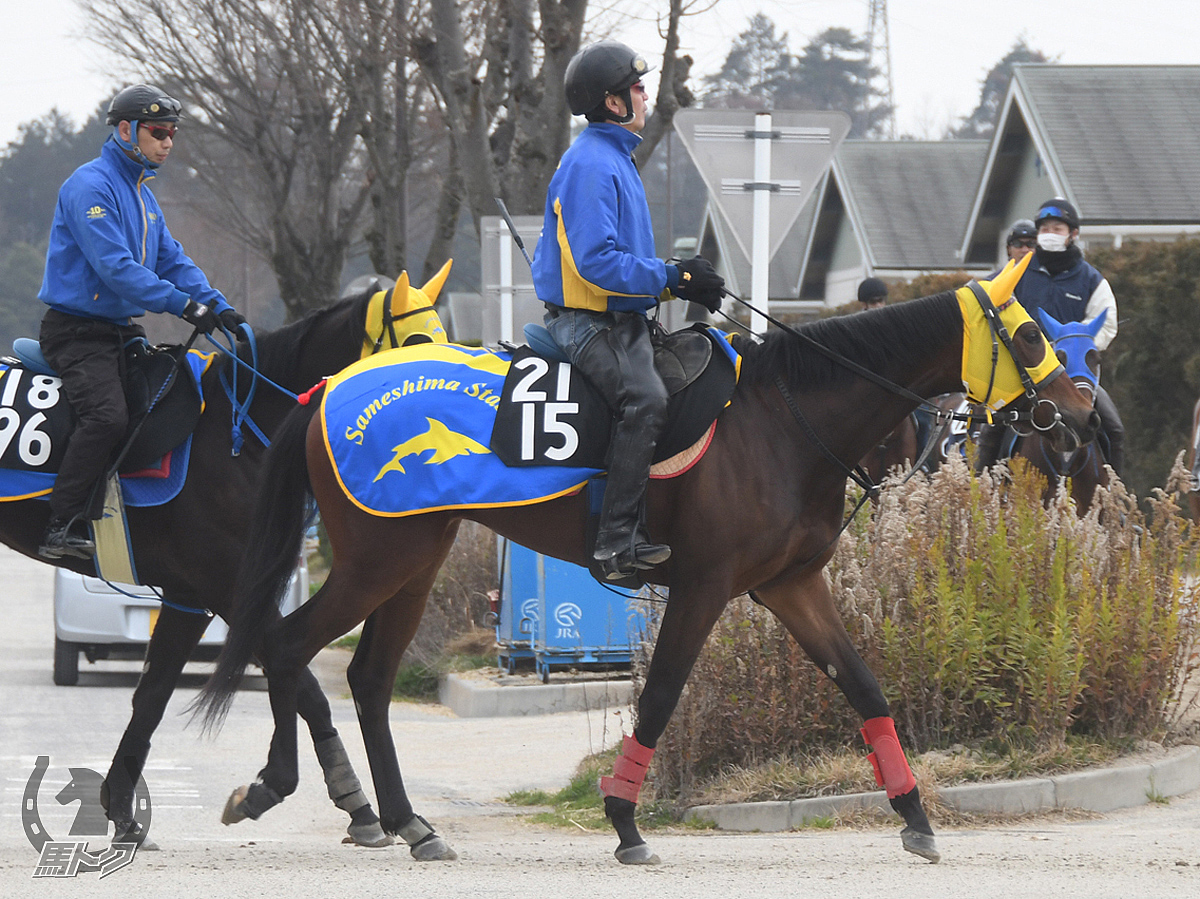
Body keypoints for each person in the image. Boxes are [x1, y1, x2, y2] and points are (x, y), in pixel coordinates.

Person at [531, 40, 724, 580]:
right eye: (637, 87)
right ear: (614, 103)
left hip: (618, 318)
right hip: (586, 322)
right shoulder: (592, 163)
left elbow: (625, 262)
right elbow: (597, 263)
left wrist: (679, 279)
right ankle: (616, 545)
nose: (645, 95)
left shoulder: (613, 157)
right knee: (645, 399)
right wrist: (672, 276)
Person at [36, 84, 245, 560]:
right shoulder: (90, 186)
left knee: (165, 405)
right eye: (159, 132)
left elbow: (173, 260)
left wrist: (219, 305)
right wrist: (183, 307)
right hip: (74, 332)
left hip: (118, 331)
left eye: (172, 133)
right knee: (108, 417)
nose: (168, 142)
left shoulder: (143, 195)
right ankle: (60, 523)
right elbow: (118, 268)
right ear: (127, 130)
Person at [975, 198, 1123, 473]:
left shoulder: (1092, 279)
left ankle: (1115, 503)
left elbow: (1108, 323)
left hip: (1076, 377)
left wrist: (1076, 347)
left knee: (1114, 429)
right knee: (992, 430)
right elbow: (987, 306)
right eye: (1044, 229)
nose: (1050, 234)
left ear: (1073, 234)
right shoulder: (1015, 273)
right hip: (1025, 376)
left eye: (1057, 228)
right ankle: (980, 492)